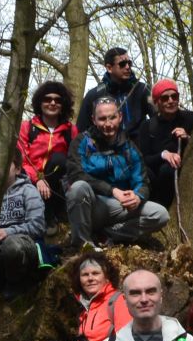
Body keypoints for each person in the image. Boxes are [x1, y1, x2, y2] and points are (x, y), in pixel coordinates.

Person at [66, 96, 168, 249]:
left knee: (160, 214)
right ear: (93, 120)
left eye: (112, 117)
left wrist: (137, 197)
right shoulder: (82, 142)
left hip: (121, 207)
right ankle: (83, 245)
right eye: (102, 119)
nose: (108, 124)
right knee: (78, 187)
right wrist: (112, 190)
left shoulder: (130, 147)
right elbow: (76, 175)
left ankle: (109, 235)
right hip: (92, 205)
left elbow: (142, 181)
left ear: (120, 117)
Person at [17, 80, 78, 225]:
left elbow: (76, 159)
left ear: (63, 105)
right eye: (47, 99)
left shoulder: (70, 130)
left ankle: (58, 213)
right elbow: (22, 159)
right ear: (40, 102)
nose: (52, 103)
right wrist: (38, 178)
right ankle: (47, 217)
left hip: (59, 183)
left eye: (57, 100)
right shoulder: (27, 127)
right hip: (31, 180)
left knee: (59, 159)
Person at [71, 254, 128, 341]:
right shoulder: (83, 308)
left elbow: (126, 338)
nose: (90, 278)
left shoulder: (117, 301)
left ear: (107, 277)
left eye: (96, 273)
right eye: (85, 275)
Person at [133, 81, 193, 208]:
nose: (171, 101)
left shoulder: (191, 118)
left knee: (167, 170)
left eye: (174, 96)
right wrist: (163, 155)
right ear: (156, 102)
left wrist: (188, 138)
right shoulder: (148, 126)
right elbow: (143, 159)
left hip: (180, 174)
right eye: (165, 98)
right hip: (155, 181)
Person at [0, 158, 50, 285]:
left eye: (7, 164)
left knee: (11, 245)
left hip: (25, 244)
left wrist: (8, 231)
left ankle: (17, 286)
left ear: (17, 169)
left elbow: (38, 227)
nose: (1, 167)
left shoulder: (29, 191)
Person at [77, 45, 151, 136]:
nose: (127, 67)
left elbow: (158, 118)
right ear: (109, 68)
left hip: (138, 147)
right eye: (122, 64)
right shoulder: (94, 95)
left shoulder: (141, 90)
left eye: (129, 63)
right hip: (105, 147)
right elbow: (82, 130)